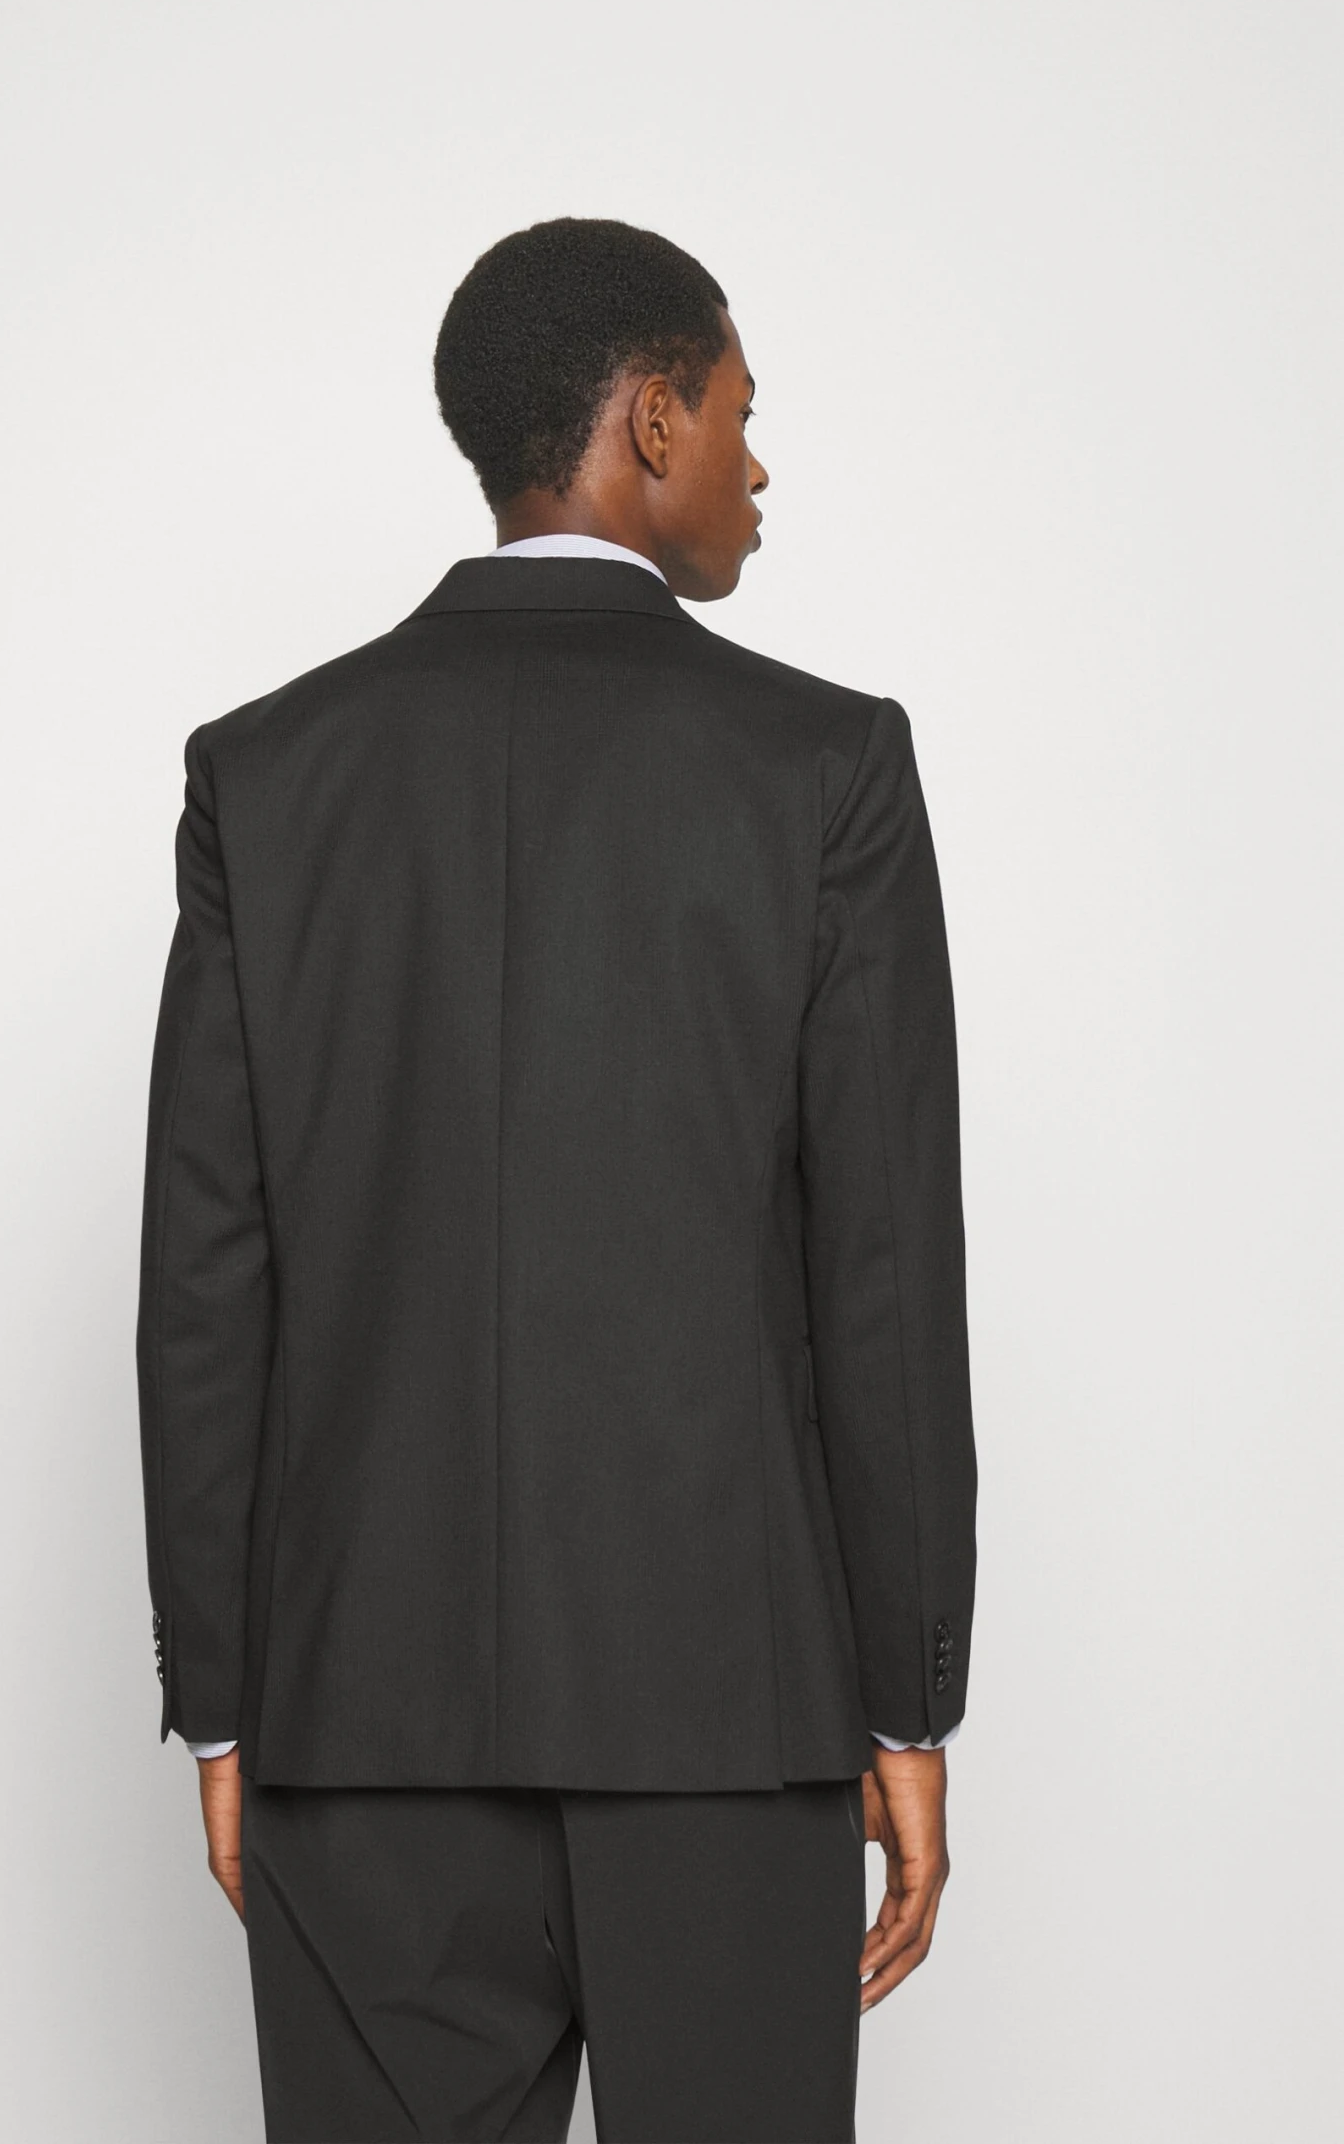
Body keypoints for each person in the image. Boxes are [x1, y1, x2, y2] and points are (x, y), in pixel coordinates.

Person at [137, 215, 977, 2143]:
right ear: (654, 419)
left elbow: (207, 1279)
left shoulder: (268, 773)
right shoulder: (827, 768)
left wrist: (227, 1699)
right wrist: (907, 1698)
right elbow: (881, 1274)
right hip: (728, 1724)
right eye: (742, 415)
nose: (760, 466)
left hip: (360, 1725)